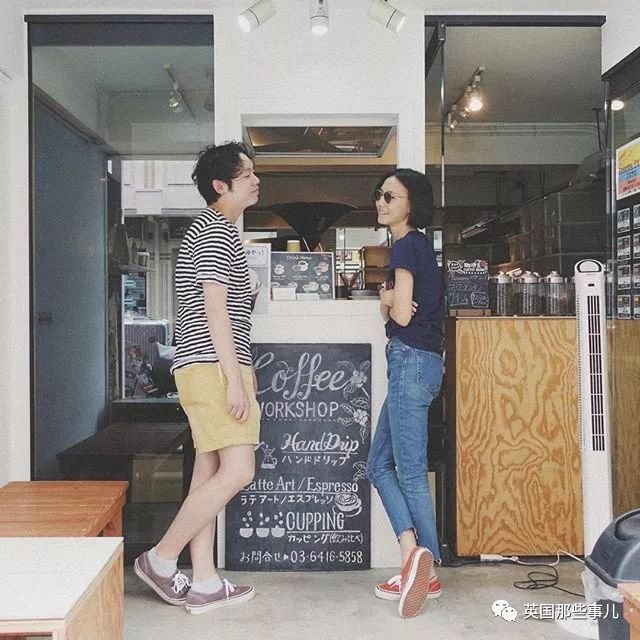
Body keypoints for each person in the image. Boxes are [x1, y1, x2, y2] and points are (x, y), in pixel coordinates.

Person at [134, 141, 261, 615]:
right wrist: (234, 380)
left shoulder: (215, 229)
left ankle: (205, 581)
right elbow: (215, 310)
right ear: (220, 185)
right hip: (213, 367)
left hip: (207, 365)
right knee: (239, 471)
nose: (256, 181)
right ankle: (161, 559)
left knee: (207, 475)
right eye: (246, 175)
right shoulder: (215, 230)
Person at [367, 168, 445, 618]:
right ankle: (414, 556)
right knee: (378, 465)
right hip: (420, 363)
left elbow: (398, 316)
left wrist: (385, 298)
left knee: (409, 472)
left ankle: (425, 572)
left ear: (412, 203)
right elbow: (400, 311)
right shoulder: (417, 247)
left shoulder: (407, 246)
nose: (381, 202)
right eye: (380, 195)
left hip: (410, 361)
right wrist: (391, 300)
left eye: (391, 196)